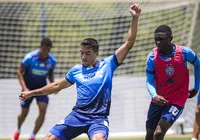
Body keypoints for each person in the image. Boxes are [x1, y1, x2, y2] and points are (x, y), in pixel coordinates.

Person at [18, 3, 141, 140]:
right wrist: (31, 93)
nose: (83, 57)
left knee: (98, 139)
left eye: (87, 53)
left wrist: (135, 18)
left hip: (98, 119)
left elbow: (129, 42)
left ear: (96, 52)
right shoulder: (76, 70)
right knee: (48, 138)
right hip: (77, 116)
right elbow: (56, 86)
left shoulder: (108, 65)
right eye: (81, 53)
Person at [145, 25, 200, 140]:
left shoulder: (184, 52)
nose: (158, 42)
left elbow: (198, 64)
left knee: (159, 132)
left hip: (177, 99)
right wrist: (154, 96)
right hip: (158, 100)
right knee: (150, 135)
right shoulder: (152, 57)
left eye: (161, 39)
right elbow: (149, 80)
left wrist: (196, 87)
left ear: (171, 38)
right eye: (156, 39)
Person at [12, 38, 57, 140]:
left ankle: (32, 136)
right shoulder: (30, 57)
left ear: (50, 50)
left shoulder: (52, 61)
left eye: (48, 50)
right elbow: (19, 72)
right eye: (44, 49)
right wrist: (25, 88)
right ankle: (18, 130)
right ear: (40, 47)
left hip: (42, 89)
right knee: (24, 113)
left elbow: (50, 74)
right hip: (28, 88)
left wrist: (53, 85)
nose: (45, 51)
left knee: (43, 109)